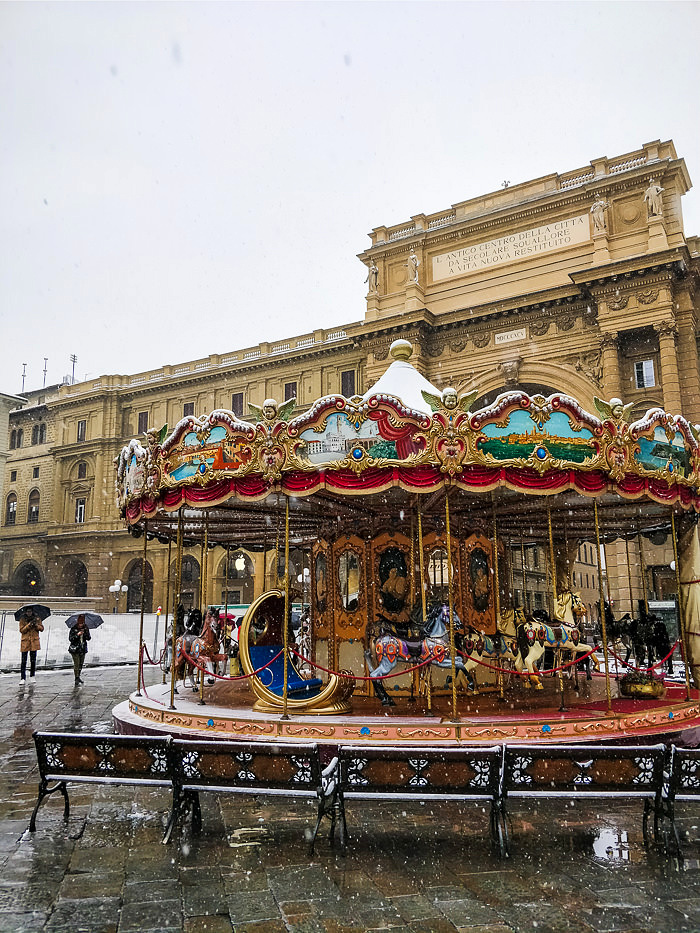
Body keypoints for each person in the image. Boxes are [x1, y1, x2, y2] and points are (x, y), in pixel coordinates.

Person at [19, 607, 44, 684]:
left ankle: (32, 676)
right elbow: (21, 630)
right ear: (25, 612)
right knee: (24, 661)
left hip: (34, 642)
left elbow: (42, 628)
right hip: (25, 642)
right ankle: (23, 677)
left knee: (33, 660)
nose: (29, 613)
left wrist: (36, 625)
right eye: (27, 612)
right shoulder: (22, 619)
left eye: (30, 611)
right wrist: (29, 625)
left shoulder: (37, 619)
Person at [68, 614, 91, 685]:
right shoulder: (73, 629)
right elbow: (71, 639)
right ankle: (76, 677)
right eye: (80, 623)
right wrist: (77, 635)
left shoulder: (86, 628)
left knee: (81, 664)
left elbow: (89, 638)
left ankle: (78, 676)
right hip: (75, 649)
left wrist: (85, 633)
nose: (81, 625)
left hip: (82, 648)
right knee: (77, 664)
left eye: (82, 623)